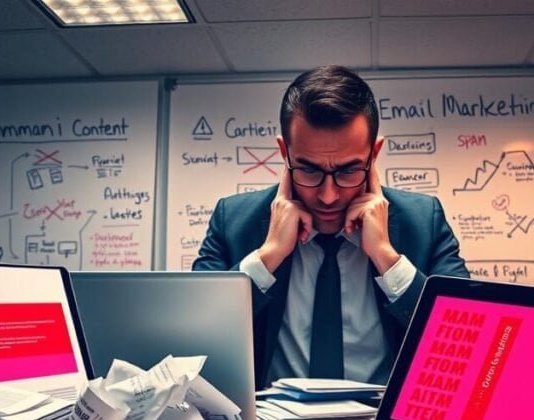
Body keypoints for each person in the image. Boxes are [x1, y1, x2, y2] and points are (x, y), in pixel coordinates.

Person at [193, 65, 469, 388]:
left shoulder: (422, 221)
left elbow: (464, 341)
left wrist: (386, 257)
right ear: (285, 153)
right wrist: (267, 257)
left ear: (374, 154)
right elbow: (195, 343)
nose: (328, 195)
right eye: (308, 170)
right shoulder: (234, 221)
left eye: (349, 170)